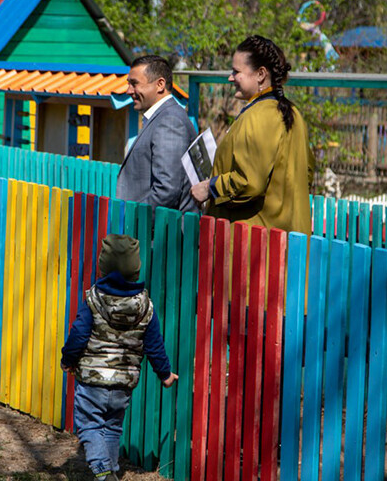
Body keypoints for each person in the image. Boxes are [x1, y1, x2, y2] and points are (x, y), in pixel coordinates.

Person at [61, 234, 178, 481]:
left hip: (93, 379)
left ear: (103, 268)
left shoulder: (94, 299)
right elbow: (154, 345)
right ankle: (111, 470)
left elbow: (78, 334)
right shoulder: (145, 306)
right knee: (112, 426)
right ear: (136, 270)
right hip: (123, 382)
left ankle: (103, 472)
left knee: (90, 425)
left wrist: (68, 359)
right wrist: (165, 374)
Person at [191, 36, 313, 233]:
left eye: (236, 72)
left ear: (260, 74)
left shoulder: (258, 116)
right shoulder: (293, 114)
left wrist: (209, 188)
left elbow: (249, 182)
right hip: (288, 237)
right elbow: (306, 173)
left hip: (255, 241)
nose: (230, 78)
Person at [116, 55, 198, 212]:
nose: (128, 91)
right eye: (128, 84)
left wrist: (133, 217)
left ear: (160, 84)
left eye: (134, 84)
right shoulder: (162, 117)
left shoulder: (170, 121)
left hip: (153, 226)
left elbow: (167, 190)